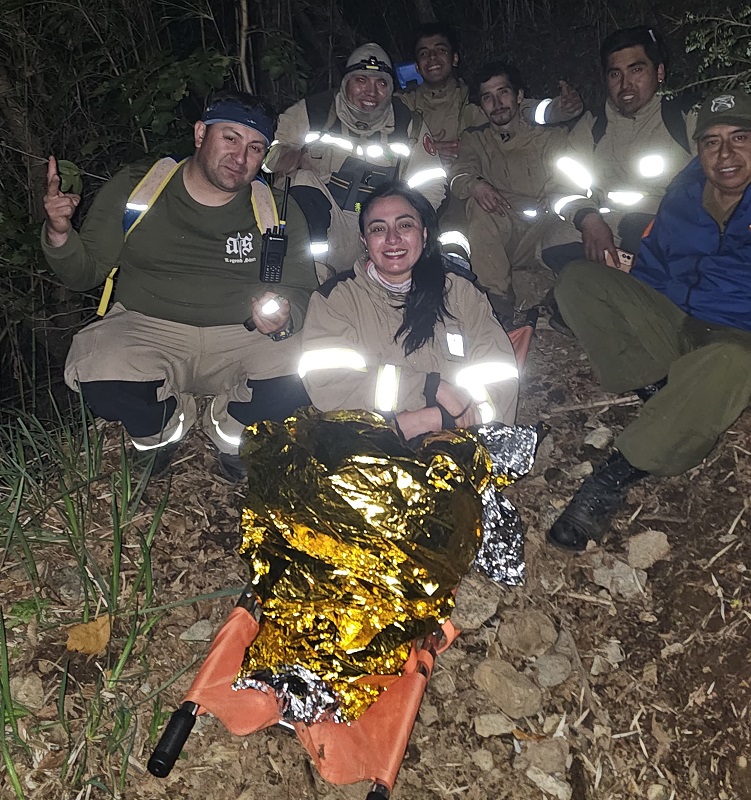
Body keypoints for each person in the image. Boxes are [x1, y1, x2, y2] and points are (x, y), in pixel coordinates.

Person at [42, 90, 317, 480]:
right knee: (95, 366)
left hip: (242, 335)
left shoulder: (277, 209)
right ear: (201, 133)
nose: (241, 158)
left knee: (315, 364)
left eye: (255, 147)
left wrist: (287, 315)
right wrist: (58, 233)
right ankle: (165, 429)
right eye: (231, 138)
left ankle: (231, 432)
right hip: (148, 327)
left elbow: (303, 287)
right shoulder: (140, 188)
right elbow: (84, 272)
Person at [547, 91, 751, 553]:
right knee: (579, 280)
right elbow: (653, 267)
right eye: (712, 142)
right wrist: (624, 298)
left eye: (741, 138)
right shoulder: (684, 192)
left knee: (733, 360)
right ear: (698, 149)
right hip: (677, 320)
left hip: (737, 339)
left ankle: (619, 471)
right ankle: (666, 396)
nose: (726, 155)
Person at [298, 183, 519, 437]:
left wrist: (455, 418)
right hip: (373, 450)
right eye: (378, 229)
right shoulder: (335, 300)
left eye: (405, 225)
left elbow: (499, 376)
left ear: (424, 235)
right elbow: (329, 385)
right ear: (364, 241)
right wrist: (429, 389)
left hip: (461, 440)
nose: (393, 239)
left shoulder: (462, 293)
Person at [397, 24, 582, 263]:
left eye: (440, 50)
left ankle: (456, 263)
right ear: (417, 65)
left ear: (454, 59)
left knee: (464, 211)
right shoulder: (403, 105)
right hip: (412, 193)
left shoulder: (475, 101)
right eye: (424, 53)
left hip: (462, 196)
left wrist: (560, 108)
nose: (432, 57)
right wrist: (427, 151)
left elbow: (518, 109)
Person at [265, 43, 446, 274]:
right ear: (346, 82)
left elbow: (433, 185)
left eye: (381, 83)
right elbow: (264, 152)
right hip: (326, 226)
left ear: (391, 89)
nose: (371, 91)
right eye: (361, 80)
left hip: (378, 228)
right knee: (301, 181)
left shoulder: (408, 124)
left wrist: (402, 224)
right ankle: (312, 274)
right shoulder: (314, 111)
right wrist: (286, 156)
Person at [546, 25, 697, 272]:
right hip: (609, 226)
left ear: (659, 72)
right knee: (554, 240)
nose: (626, 84)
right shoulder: (592, 125)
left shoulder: (685, 117)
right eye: (615, 74)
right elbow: (560, 188)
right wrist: (588, 218)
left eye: (636, 70)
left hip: (667, 225)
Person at [448, 61, 573, 322]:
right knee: (477, 203)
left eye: (503, 92)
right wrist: (475, 184)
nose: (497, 103)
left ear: (518, 96)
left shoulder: (551, 137)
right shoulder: (475, 138)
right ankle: (497, 301)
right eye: (488, 97)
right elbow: (458, 174)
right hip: (508, 232)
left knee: (583, 216)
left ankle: (568, 299)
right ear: (481, 106)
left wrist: (556, 194)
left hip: (546, 226)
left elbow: (571, 181)